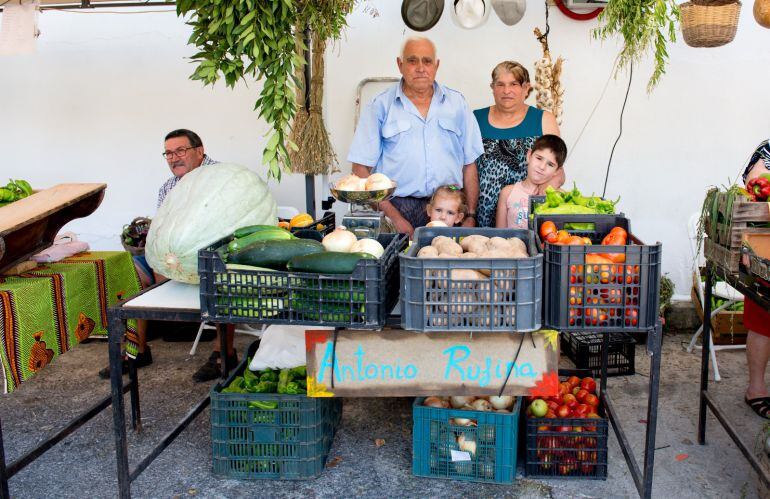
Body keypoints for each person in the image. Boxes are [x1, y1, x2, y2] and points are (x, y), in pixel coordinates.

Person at [99, 129, 237, 383]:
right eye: (169, 153)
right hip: (174, 253)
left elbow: (228, 224)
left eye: (180, 151)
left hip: (215, 249)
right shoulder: (168, 187)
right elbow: (164, 227)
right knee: (129, 271)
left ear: (199, 150)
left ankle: (223, 353)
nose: (174, 158)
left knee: (222, 275)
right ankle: (137, 350)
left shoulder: (222, 178)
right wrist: (151, 246)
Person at [347, 36, 484, 238]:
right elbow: (360, 169)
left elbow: (469, 164)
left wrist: (470, 215)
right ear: (400, 64)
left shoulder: (457, 104)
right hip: (397, 208)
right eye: (412, 61)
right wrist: (394, 218)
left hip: (449, 210)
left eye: (427, 61)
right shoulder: (380, 106)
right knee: (397, 269)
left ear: (436, 66)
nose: (421, 67)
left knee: (447, 268)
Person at [473, 61, 562, 228]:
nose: (506, 91)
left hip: (524, 217)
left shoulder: (543, 120)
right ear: (492, 87)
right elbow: (466, 168)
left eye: (514, 84)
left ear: (526, 87)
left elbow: (558, 171)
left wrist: (537, 198)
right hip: (481, 217)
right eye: (500, 84)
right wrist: (468, 213)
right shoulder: (475, 119)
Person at [742, 139, 770, 418]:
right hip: (765, 246)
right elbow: (755, 182)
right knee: (764, 319)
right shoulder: (768, 149)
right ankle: (757, 388)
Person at [496, 135, 567, 229]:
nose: (542, 167)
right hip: (512, 243)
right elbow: (500, 235)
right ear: (529, 156)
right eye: (539, 158)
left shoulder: (560, 196)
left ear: (557, 171)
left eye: (550, 164)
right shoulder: (507, 192)